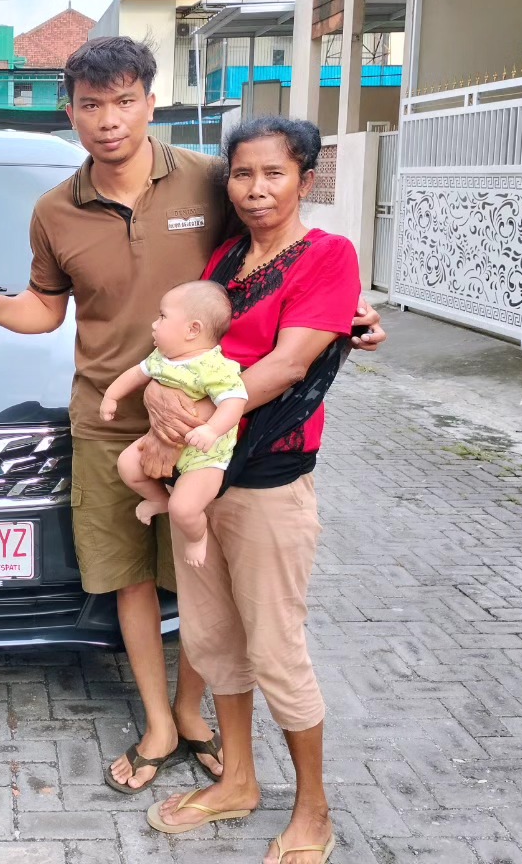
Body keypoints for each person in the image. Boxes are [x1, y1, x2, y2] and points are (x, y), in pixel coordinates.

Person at [0, 37, 385, 794]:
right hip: (108, 415)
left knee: (197, 578)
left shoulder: (209, 181)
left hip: (204, 421)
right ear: (70, 112)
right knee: (129, 575)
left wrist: (347, 314)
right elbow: (46, 309)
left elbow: (272, 257)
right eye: (91, 105)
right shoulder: (54, 210)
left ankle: (193, 711)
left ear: (151, 104)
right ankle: (158, 720)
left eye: (125, 101)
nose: (109, 120)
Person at [143, 116, 357, 864]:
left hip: (268, 480)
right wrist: (158, 397)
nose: (256, 189)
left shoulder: (328, 257)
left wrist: (203, 416)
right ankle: (237, 781)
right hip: (201, 482)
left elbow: (289, 364)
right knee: (211, 638)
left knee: (276, 648)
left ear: (305, 178)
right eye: (242, 174)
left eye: (274, 173)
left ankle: (313, 810)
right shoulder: (228, 258)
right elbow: (188, 346)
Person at [100, 281, 247, 568]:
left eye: (162, 316)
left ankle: (197, 537)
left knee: (184, 509)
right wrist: (111, 396)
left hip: (204, 455)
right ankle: (160, 500)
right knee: (127, 465)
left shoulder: (214, 367)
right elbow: (135, 374)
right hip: (162, 439)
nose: (154, 325)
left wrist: (212, 429)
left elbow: (235, 401)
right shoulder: (162, 358)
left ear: (192, 329)